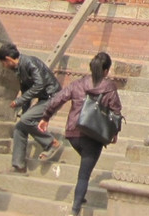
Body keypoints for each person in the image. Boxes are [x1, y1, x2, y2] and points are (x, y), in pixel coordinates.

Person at [38, 52, 122, 216]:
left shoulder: (78, 83)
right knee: (84, 174)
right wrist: (115, 132)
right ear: (106, 70)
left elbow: (58, 98)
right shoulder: (109, 87)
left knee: (84, 167)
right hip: (93, 135)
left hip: (73, 133)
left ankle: (80, 195)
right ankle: (76, 209)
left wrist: (46, 117)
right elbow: (116, 111)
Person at [0, 43, 62, 173]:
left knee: (26, 120)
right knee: (20, 126)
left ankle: (51, 143)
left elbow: (39, 85)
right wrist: (24, 112)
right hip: (44, 99)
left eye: (3, 63)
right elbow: (26, 91)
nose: (4, 66)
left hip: (53, 97)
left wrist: (19, 101)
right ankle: (19, 165)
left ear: (8, 59)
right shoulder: (19, 69)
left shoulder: (30, 63)